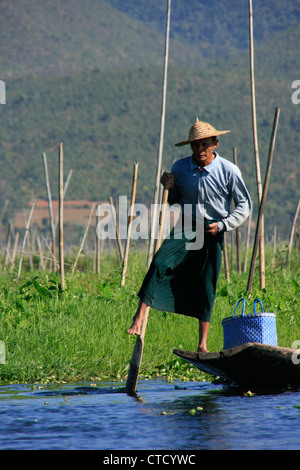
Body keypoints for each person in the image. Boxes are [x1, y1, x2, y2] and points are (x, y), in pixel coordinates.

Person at [127, 118, 251, 352]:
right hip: (186, 225)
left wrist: (224, 225)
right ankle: (140, 315)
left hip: (213, 228)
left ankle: (202, 344)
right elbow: (175, 202)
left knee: (207, 283)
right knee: (160, 262)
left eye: (205, 144)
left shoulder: (228, 171)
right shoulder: (180, 168)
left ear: (215, 143)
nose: (200, 149)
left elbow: (244, 205)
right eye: (195, 145)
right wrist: (171, 187)